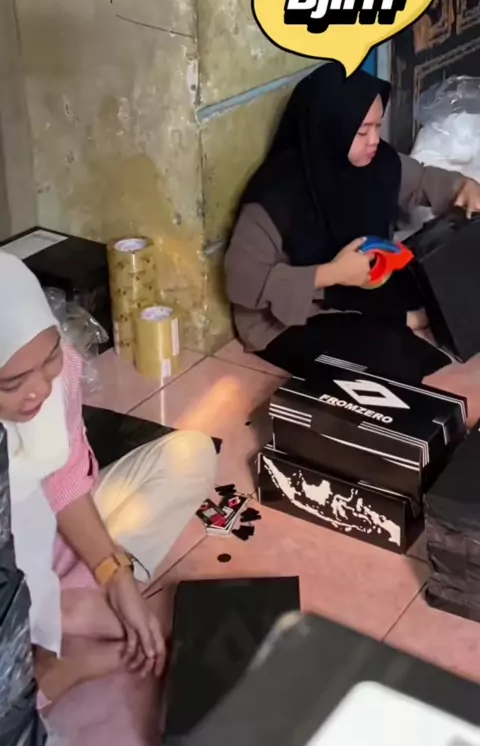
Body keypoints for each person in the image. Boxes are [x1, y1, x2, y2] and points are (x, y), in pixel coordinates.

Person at [0, 250, 217, 706]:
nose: (39, 389)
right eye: (12, 383)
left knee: (191, 454)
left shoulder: (61, 375)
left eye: (49, 359)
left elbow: (64, 481)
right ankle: (57, 656)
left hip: (52, 538)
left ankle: (73, 609)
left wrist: (113, 573)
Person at [225, 63, 480, 384]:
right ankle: (394, 320)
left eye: (378, 126)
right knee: (391, 359)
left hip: (355, 283)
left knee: (435, 280)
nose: (374, 140)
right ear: (330, 128)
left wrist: (462, 187)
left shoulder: (376, 163)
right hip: (284, 318)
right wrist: (333, 274)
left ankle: (394, 316)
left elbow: (421, 179)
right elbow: (242, 284)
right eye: (362, 132)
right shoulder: (276, 195)